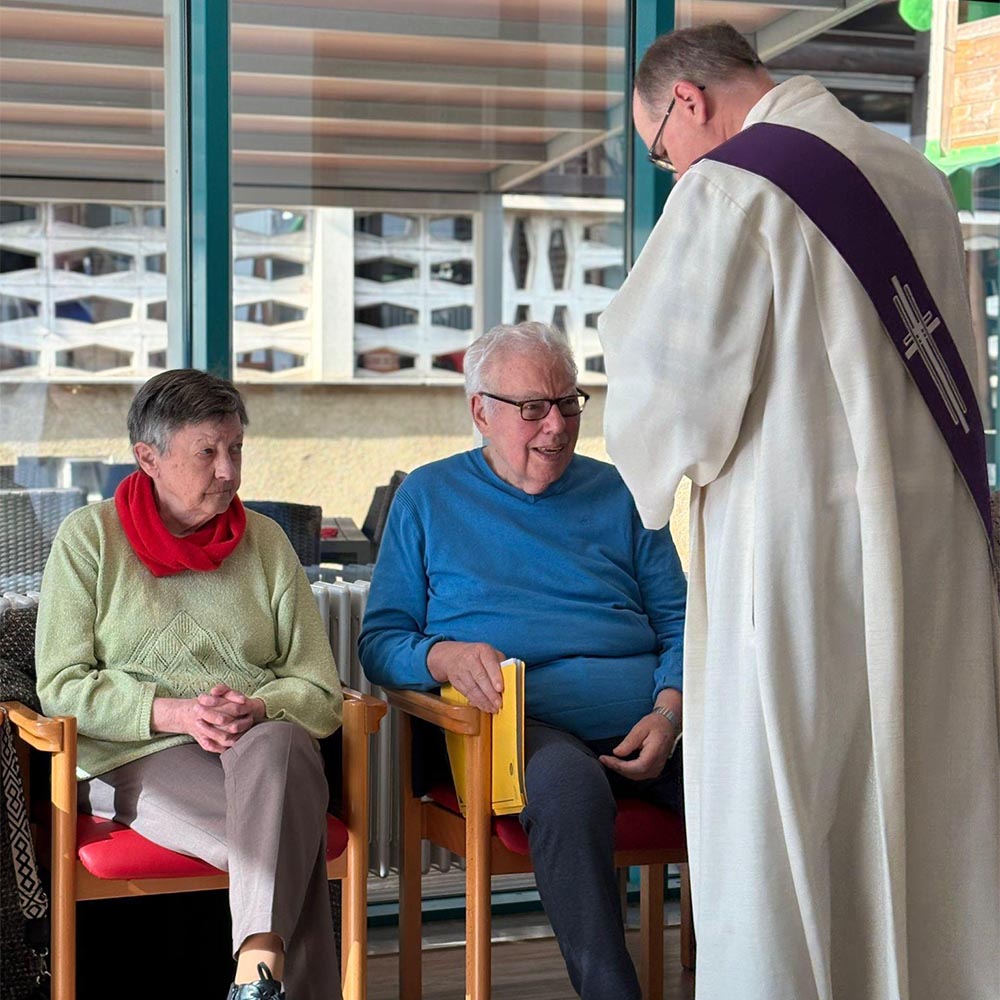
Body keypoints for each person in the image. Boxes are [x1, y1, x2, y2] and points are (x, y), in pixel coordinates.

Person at [599, 21, 1000, 1000]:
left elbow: (664, 413)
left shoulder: (730, 188)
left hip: (795, 554)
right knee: (919, 793)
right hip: (931, 549)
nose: (670, 168)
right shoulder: (917, 180)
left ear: (687, 101)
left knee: (787, 806)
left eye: (659, 149)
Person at [359, 321, 687, 1000]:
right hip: (518, 725)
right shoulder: (428, 497)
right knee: (569, 790)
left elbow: (683, 621)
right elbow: (381, 642)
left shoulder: (622, 493)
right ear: (481, 411)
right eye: (533, 407)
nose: (557, 426)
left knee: (756, 777)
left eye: (568, 403)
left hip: (649, 718)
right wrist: (442, 656)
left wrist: (670, 712)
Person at [35, 369, 344, 1000]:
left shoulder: (267, 543)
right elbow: (61, 687)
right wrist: (174, 713)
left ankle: (255, 974)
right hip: (135, 756)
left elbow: (320, 691)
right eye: (208, 452)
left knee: (283, 745)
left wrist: (257, 706)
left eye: (236, 449)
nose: (228, 471)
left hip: (258, 752)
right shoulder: (89, 539)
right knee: (290, 834)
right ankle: (262, 975)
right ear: (148, 457)